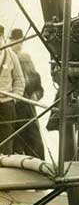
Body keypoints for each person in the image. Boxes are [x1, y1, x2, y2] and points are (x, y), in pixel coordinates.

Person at [8, 28, 45, 159]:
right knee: (14, 145)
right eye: (14, 41)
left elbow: (39, 88)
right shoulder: (7, 59)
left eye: (20, 41)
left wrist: (35, 96)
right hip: (13, 109)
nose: (17, 44)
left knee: (35, 145)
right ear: (10, 41)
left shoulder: (26, 59)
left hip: (29, 110)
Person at [0, 25, 25, 155]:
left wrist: (13, 99)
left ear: (2, 37)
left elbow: (20, 80)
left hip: (7, 105)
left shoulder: (11, 55)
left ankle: (4, 170)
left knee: (7, 140)